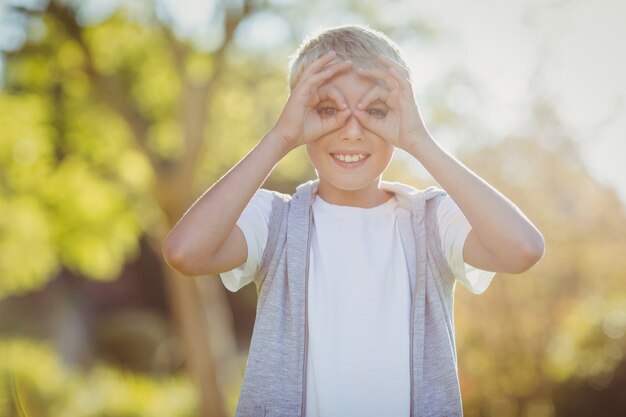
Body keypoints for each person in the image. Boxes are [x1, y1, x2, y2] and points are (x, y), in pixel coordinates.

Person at [162, 23, 545, 417]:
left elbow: (523, 250)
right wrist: (279, 137)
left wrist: (419, 142)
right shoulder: (275, 220)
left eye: (375, 111)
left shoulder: (430, 220)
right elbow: (185, 252)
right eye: (328, 110)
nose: (352, 130)